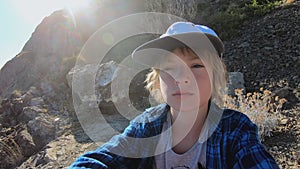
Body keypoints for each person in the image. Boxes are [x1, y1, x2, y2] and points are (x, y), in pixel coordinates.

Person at [69, 22, 279, 168]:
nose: (181, 78)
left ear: (218, 76)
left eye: (196, 65)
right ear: (157, 81)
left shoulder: (235, 129)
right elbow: (106, 157)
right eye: (169, 69)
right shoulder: (147, 125)